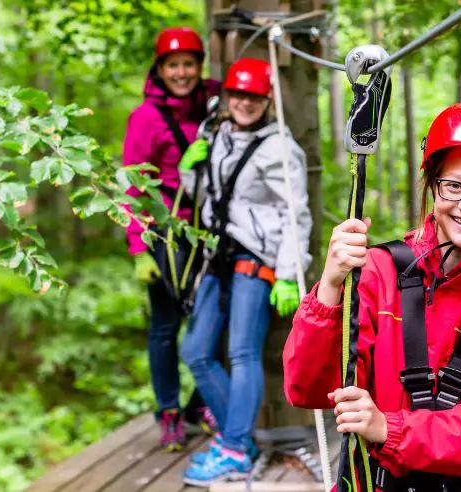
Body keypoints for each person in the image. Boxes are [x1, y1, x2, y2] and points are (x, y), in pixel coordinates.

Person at [283, 103, 461, 491]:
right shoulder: (378, 271)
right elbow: (308, 387)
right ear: (433, 185)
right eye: (455, 186)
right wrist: (329, 287)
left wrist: (389, 428)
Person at [177, 57, 312, 486]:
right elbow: (211, 196)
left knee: (242, 353)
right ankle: (241, 435)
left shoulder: (280, 148)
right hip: (218, 255)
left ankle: (235, 447)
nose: (244, 103)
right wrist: (188, 169)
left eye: (253, 96)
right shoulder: (217, 134)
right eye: (237, 94)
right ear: (227, 96)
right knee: (196, 351)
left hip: (256, 259)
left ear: (266, 98)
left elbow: (296, 214)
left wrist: (290, 273)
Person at [122, 26, 221, 453]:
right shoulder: (145, 118)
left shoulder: (214, 103)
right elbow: (132, 185)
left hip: (210, 229)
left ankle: (198, 405)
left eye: (188, 64)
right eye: (173, 65)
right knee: (165, 327)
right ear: (160, 70)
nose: (181, 73)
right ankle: (168, 412)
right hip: (165, 231)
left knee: (213, 320)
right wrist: (138, 248)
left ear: (199, 67)